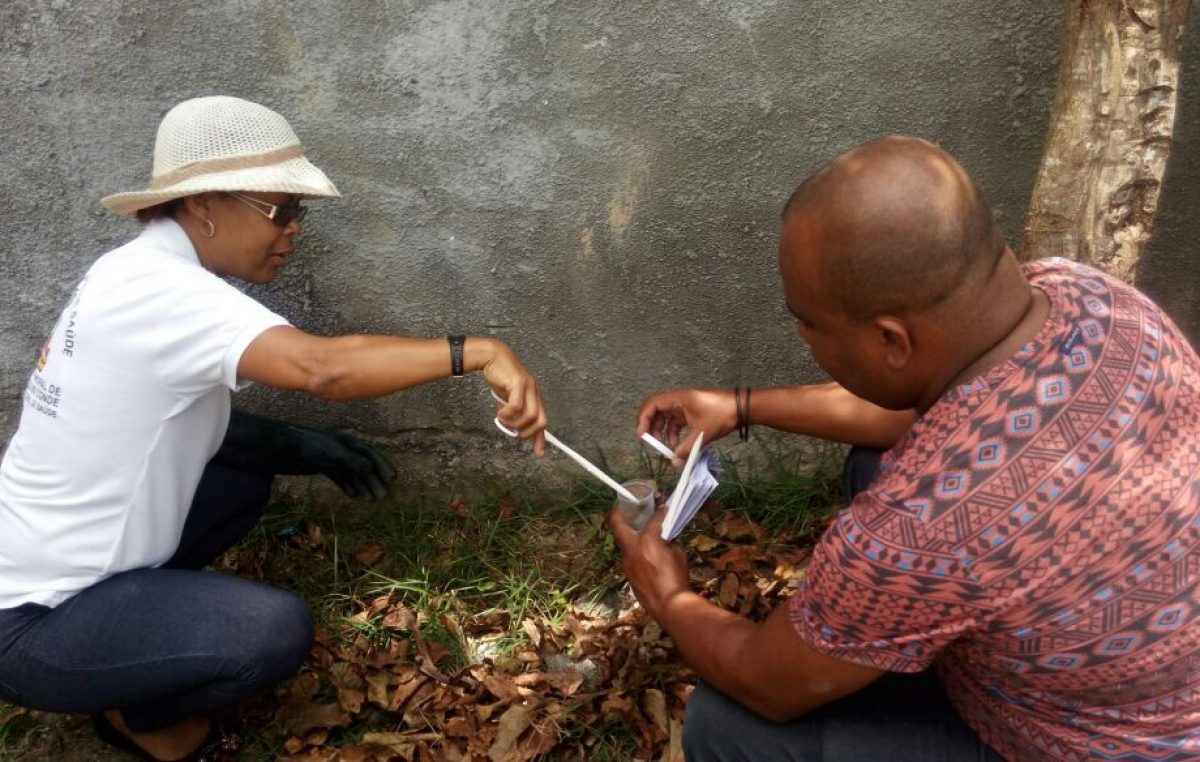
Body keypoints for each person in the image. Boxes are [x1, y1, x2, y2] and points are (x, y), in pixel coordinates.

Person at [611, 135, 1200, 760]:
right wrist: (743, 405)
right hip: (1157, 668)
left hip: (1111, 747)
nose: (802, 335)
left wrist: (667, 594)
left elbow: (769, 682)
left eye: (808, 322)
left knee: (728, 726)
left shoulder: (916, 528)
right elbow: (924, 411)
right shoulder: (1093, 297)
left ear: (891, 341)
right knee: (874, 463)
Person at [0, 96, 548, 762]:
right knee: (273, 631)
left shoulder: (130, 272)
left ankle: (136, 649)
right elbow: (323, 370)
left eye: (299, 213)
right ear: (204, 204)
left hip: (50, 571)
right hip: (32, 626)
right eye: (278, 211)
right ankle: (139, 714)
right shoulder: (164, 294)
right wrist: (478, 351)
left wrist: (312, 451)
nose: (293, 230)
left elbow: (181, 423)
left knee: (241, 476)